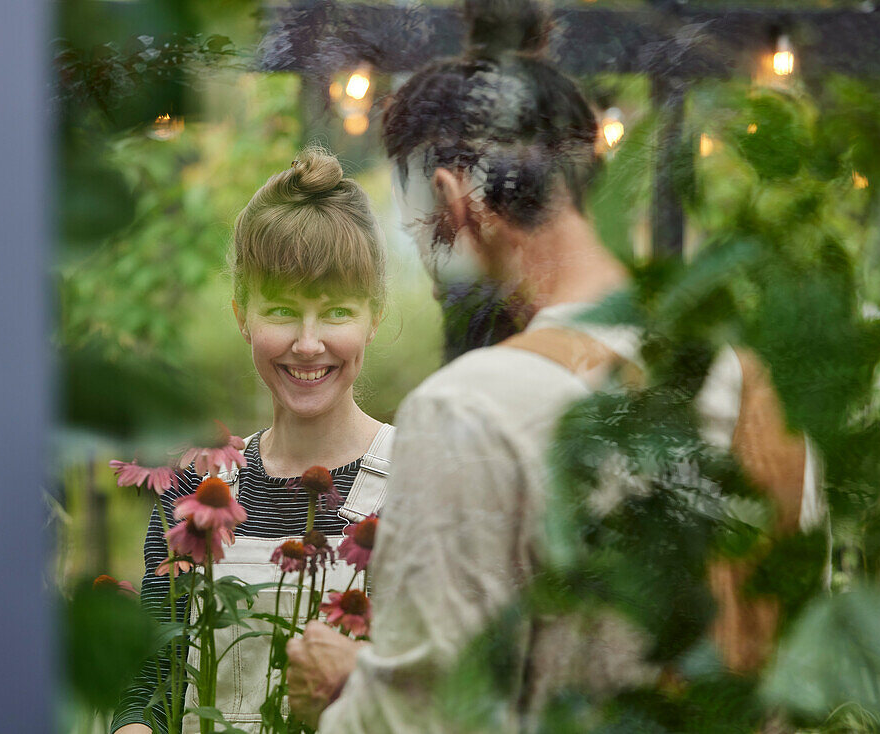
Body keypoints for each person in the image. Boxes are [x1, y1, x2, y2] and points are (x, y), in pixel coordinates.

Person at [286, 1, 825, 731]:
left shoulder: (471, 407)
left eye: (417, 230)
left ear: (452, 198)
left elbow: (420, 724)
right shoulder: (759, 386)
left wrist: (347, 689)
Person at [111, 147, 396, 734]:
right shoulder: (194, 488)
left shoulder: (417, 483)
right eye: (283, 310)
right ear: (243, 314)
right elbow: (154, 677)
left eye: (337, 312)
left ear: (375, 315)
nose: (309, 343)